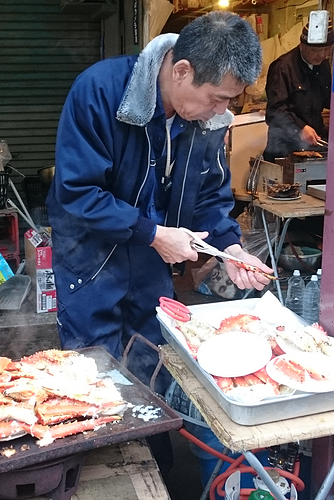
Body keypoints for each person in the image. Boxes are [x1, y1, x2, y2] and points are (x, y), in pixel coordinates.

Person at [47, 11, 272, 386]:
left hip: (152, 261)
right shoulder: (101, 90)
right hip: (91, 259)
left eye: (228, 101)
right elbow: (78, 191)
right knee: (95, 376)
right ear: (181, 70)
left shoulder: (208, 119)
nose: (222, 111)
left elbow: (210, 196)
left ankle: (156, 443)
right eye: (217, 98)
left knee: (156, 364)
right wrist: (152, 233)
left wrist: (229, 247)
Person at [263, 22, 332, 161]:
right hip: (284, 148)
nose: (322, 55)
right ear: (302, 45)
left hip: (313, 146)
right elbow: (274, 111)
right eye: (316, 50)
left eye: (326, 49)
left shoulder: (323, 66)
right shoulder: (283, 67)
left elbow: (329, 100)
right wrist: (299, 128)